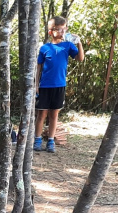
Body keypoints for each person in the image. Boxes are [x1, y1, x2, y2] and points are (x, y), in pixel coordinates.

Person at [35, 16, 83, 154]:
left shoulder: (68, 46)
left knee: (54, 115)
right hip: (44, 86)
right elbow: (39, 67)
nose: (63, 31)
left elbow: (80, 58)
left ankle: (50, 140)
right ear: (51, 31)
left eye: (64, 28)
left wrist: (79, 43)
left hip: (59, 85)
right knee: (41, 114)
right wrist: (36, 84)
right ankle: (37, 139)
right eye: (59, 29)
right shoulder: (45, 48)